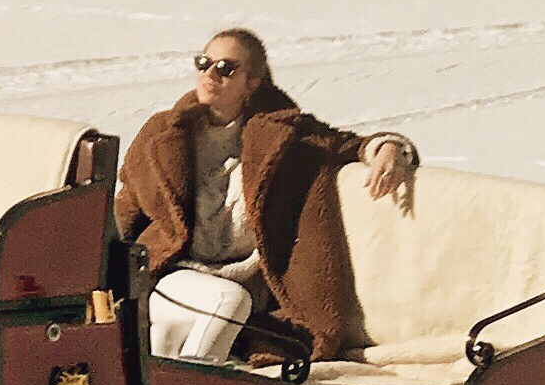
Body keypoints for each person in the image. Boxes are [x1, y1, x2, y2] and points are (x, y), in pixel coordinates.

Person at [117, 28, 416, 362]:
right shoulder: (164, 134)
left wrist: (390, 148)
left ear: (252, 82)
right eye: (204, 63)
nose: (210, 74)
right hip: (170, 276)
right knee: (228, 303)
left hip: (244, 292)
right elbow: (125, 210)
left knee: (172, 339)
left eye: (226, 68)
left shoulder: (285, 137)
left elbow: (349, 144)